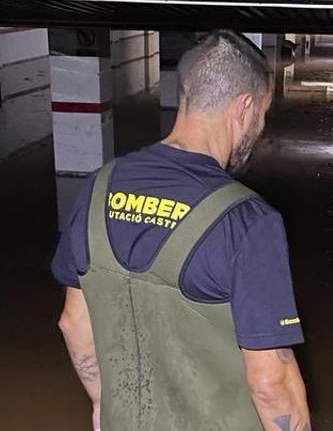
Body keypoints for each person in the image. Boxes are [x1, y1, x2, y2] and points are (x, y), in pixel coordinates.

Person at [53, 30, 311, 431]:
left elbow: (73, 322)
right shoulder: (247, 221)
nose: (259, 128)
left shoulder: (96, 188)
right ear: (244, 107)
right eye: (261, 115)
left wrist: (103, 404)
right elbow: (270, 382)